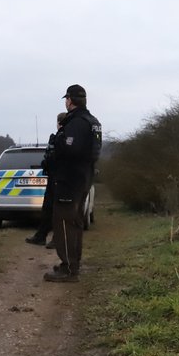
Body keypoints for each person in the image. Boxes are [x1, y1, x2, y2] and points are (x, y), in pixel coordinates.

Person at [44, 84, 102, 283]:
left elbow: (69, 150)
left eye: (67, 99)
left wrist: (56, 148)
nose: (66, 102)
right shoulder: (92, 121)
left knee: (63, 222)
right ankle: (73, 264)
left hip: (70, 179)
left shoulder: (76, 123)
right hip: (84, 177)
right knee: (76, 221)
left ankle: (68, 268)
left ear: (70, 100)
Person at [26, 112, 67, 246]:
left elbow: (58, 157)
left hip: (60, 178)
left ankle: (57, 238)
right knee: (48, 208)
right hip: (53, 176)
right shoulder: (56, 137)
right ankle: (41, 236)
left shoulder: (63, 137)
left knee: (58, 210)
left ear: (58, 122)